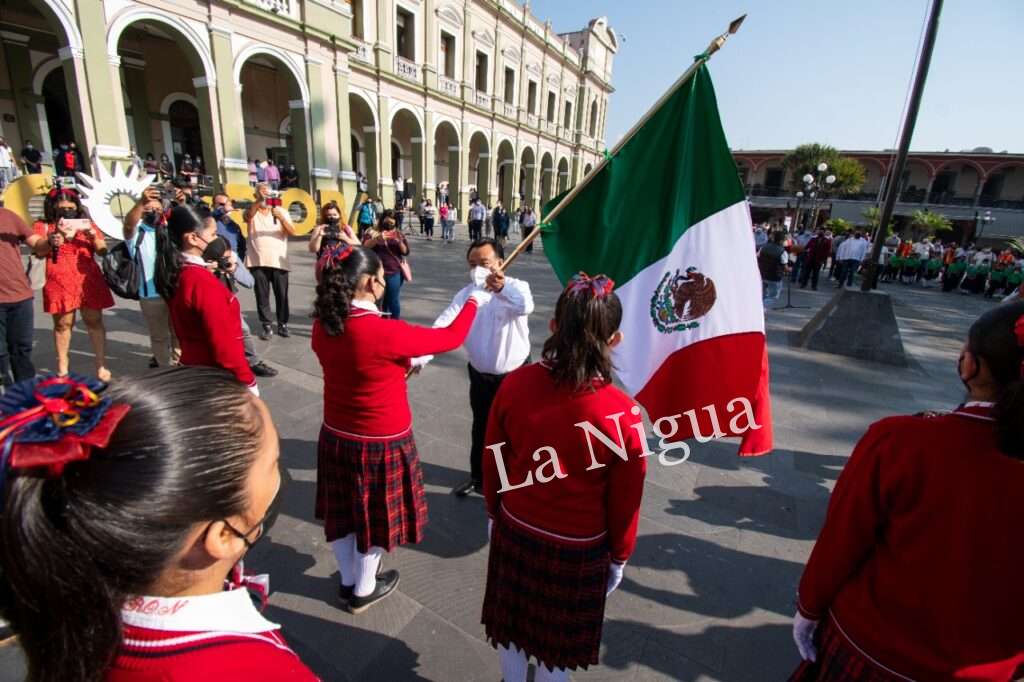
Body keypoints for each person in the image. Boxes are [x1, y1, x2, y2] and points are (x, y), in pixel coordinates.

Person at [0, 368, 317, 681]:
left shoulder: (80, 619)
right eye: (273, 462)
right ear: (223, 534)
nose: (280, 473)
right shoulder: (257, 671)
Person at [791, 302, 1024, 681]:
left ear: (970, 366)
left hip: (873, 651)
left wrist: (809, 607)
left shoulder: (903, 441)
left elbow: (842, 540)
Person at [482, 272, 647, 682]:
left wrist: (493, 510)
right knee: (558, 647)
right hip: (579, 548)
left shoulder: (515, 384)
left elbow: (494, 460)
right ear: (615, 340)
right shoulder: (623, 414)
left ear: (554, 327)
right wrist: (620, 555)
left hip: (516, 527)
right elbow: (626, 501)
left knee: (512, 628)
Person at [312, 244, 486, 613]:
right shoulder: (381, 331)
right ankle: (364, 587)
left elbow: (363, 368)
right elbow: (450, 338)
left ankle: (347, 581)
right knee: (375, 519)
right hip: (380, 440)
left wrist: (401, 365)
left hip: (336, 433)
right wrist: (474, 300)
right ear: (372, 283)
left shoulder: (323, 324)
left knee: (342, 514)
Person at [413, 238, 534, 496]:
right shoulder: (466, 294)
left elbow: (526, 305)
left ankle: (516, 478)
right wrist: (421, 354)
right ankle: (478, 477)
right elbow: (444, 323)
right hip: (480, 375)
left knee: (516, 429)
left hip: (516, 376)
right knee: (481, 426)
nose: (478, 269)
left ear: (501, 263)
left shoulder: (517, 287)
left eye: (484, 263)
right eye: (472, 264)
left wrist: (501, 290)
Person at [156, 204, 258, 395]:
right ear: (193, 238)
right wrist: (248, 383)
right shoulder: (201, 282)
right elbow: (225, 346)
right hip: (216, 378)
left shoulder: (176, 271)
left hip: (193, 367)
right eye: (212, 234)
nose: (217, 239)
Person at [32, 188, 114, 381]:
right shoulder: (43, 225)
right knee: (63, 324)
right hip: (58, 279)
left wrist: (93, 236)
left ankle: (101, 365)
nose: (67, 212)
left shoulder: (86, 224)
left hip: (88, 279)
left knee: (94, 321)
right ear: (52, 208)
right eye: (62, 209)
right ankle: (63, 368)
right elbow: (39, 250)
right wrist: (53, 239)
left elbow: (102, 250)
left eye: (71, 208)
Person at [212, 194, 278, 378]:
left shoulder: (232, 227)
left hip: (226, 284)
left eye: (227, 203)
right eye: (220, 204)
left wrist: (234, 265)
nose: (225, 207)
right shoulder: (207, 221)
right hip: (208, 284)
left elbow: (249, 281)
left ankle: (253, 361)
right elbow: (211, 216)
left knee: (243, 329)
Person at [122, 187, 181, 369]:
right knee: (159, 335)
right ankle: (165, 368)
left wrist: (181, 203)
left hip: (174, 291)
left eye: (157, 209)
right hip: (151, 295)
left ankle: (179, 362)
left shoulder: (170, 231)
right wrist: (141, 202)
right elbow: (128, 224)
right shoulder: (136, 233)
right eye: (148, 210)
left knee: (178, 332)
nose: (153, 212)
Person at [245, 182, 297, 340]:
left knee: (282, 295)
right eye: (261, 192)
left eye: (267, 193)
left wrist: (281, 217)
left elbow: (292, 232)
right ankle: (266, 325)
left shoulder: (281, 211)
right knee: (262, 295)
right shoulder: (251, 211)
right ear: (256, 195)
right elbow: (248, 216)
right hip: (257, 260)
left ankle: (283, 324)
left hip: (279, 261)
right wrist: (259, 200)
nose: (265, 196)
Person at [0, 205, 42, 387]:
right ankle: (7, 400)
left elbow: (38, 245)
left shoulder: (9, 216)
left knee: (22, 350)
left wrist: (54, 240)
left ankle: (26, 395)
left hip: (20, 296)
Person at [363, 213, 409, 319]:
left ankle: (394, 325)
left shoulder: (398, 233)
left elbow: (405, 252)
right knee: (378, 301)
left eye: (392, 223)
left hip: (393, 272)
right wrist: (376, 239)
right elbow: (364, 246)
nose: (389, 225)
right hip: (375, 272)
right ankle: (382, 323)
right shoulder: (372, 232)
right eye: (387, 222)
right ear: (382, 220)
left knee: (392, 300)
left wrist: (399, 242)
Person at [758, 230, 789, 306]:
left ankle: (760, 311)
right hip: (774, 277)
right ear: (782, 240)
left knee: (762, 295)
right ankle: (760, 308)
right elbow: (785, 268)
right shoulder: (782, 252)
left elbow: (757, 258)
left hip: (762, 274)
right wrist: (790, 269)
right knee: (773, 296)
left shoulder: (763, 247)